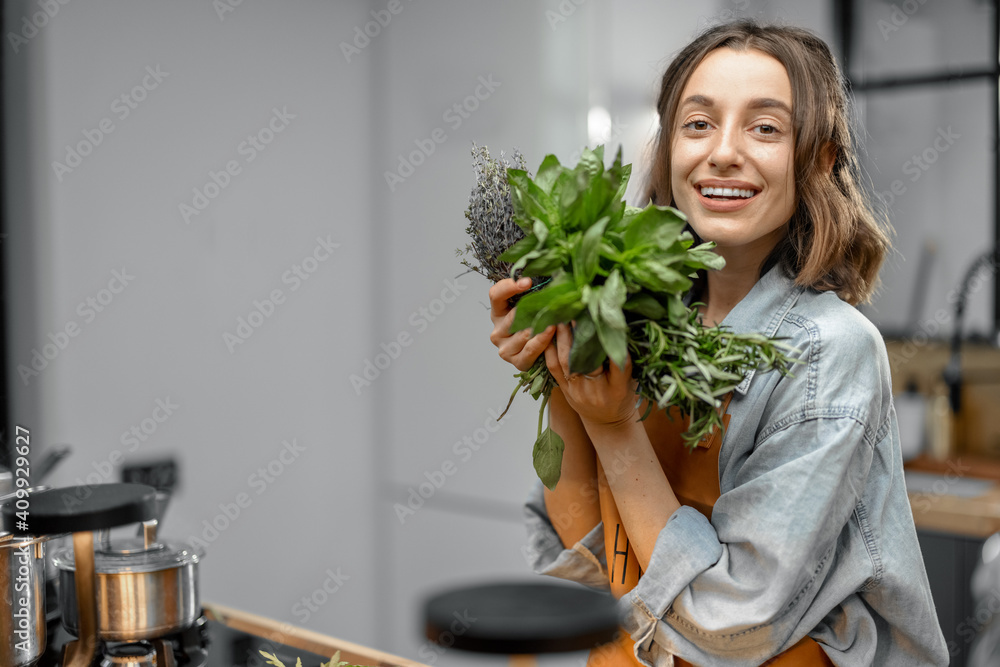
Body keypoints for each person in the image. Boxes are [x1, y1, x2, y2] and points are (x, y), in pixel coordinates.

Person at [488, 19, 950, 667]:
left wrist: (616, 427)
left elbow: (734, 625)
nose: (723, 151)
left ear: (817, 158)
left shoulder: (831, 351)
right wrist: (559, 369)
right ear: (667, 149)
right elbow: (592, 564)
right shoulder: (637, 318)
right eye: (698, 123)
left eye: (765, 127)